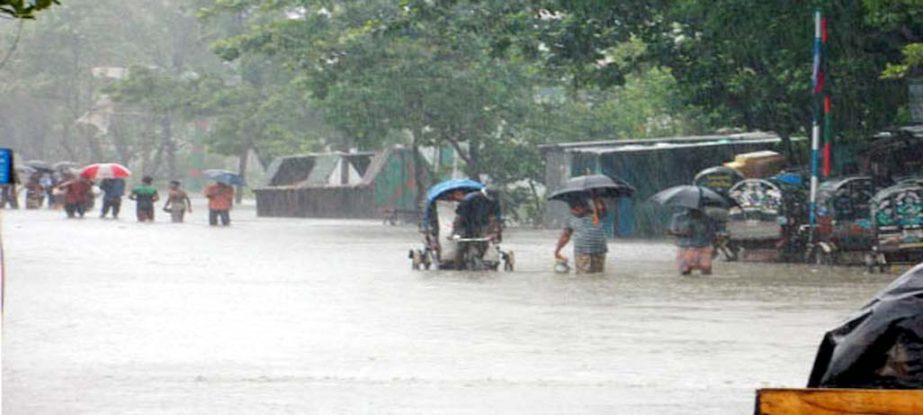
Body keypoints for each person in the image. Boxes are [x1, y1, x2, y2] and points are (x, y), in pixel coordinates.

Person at [554, 196, 608, 274]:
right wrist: (557, 250)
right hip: (598, 249)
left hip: (588, 250)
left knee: (584, 276)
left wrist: (597, 198)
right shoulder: (595, 214)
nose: (574, 211)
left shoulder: (595, 213)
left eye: (576, 208)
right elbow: (565, 236)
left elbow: (565, 236)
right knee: (597, 274)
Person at [668, 208, 717, 275]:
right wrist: (683, 233)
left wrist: (714, 248)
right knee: (685, 272)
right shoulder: (679, 217)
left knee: (706, 271)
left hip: (703, 248)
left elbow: (712, 234)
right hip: (685, 248)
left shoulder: (707, 218)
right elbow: (671, 232)